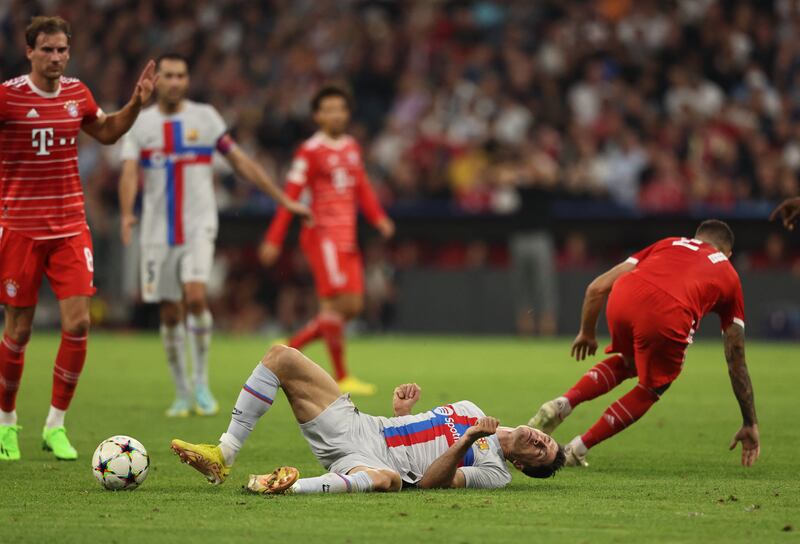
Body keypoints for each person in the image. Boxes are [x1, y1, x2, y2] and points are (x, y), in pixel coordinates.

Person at [118, 54, 310, 418]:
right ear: (157, 81)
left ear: (188, 80)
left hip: (198, 225)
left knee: (194, 296)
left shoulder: (205, 118)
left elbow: (240, 161)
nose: (174, 81)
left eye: (181, 75)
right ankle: (181, 390)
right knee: (171, 311)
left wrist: (282, 197)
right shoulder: (141, 124)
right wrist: (128, 213)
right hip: (158, 230)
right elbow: (129, 172)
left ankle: (201, 383)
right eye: (168, 75)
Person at [0, 16, 157, 461]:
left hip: (70, 226)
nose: (55, 57)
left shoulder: (77, 93)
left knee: (80, 323)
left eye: (61, 50)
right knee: (19, 330)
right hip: (20, 229)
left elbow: (107, 132)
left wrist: (135, 104)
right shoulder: (8, 97)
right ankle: (6, 422)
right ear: (29, 51)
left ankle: (55, 426)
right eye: (47, 49)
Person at [170, 344, 565, 494]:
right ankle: (224, 453)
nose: (539, 441)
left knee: (387, 481)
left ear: (521, 464)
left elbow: (431, 483)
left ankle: (286, 487)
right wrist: (402, 413)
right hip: (365, 427)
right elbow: (421, 435)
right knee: (281, 357)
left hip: (376, 462)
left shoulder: (496, 471)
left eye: (540, 453)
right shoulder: (473, 410)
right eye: (546, 440)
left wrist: (466, 440)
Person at [529, 220, 760, 468]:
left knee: (630, 363)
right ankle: (577, 449)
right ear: (728, 253)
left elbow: (597, 288)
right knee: (652, 386)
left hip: (623, 296)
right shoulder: (729, 273)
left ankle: (562, 404)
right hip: (668, 314)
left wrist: (587, 332)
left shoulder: (669, 243)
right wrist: (749, 421)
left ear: (696, 237)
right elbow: (735, 355)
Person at [258, 85, 395, 396]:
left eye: (341, 108)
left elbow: (362, 188)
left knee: (353, 306)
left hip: (347, 236)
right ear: (317, 115)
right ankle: (341, 375)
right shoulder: (309, 151)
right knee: (336, 305)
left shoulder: (351, 147)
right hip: (322, 237)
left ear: (347, 113)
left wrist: (378, 217)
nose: (336, 114)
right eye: (329, 109)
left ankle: (286, 350)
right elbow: (289, 196)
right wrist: (274, 237)